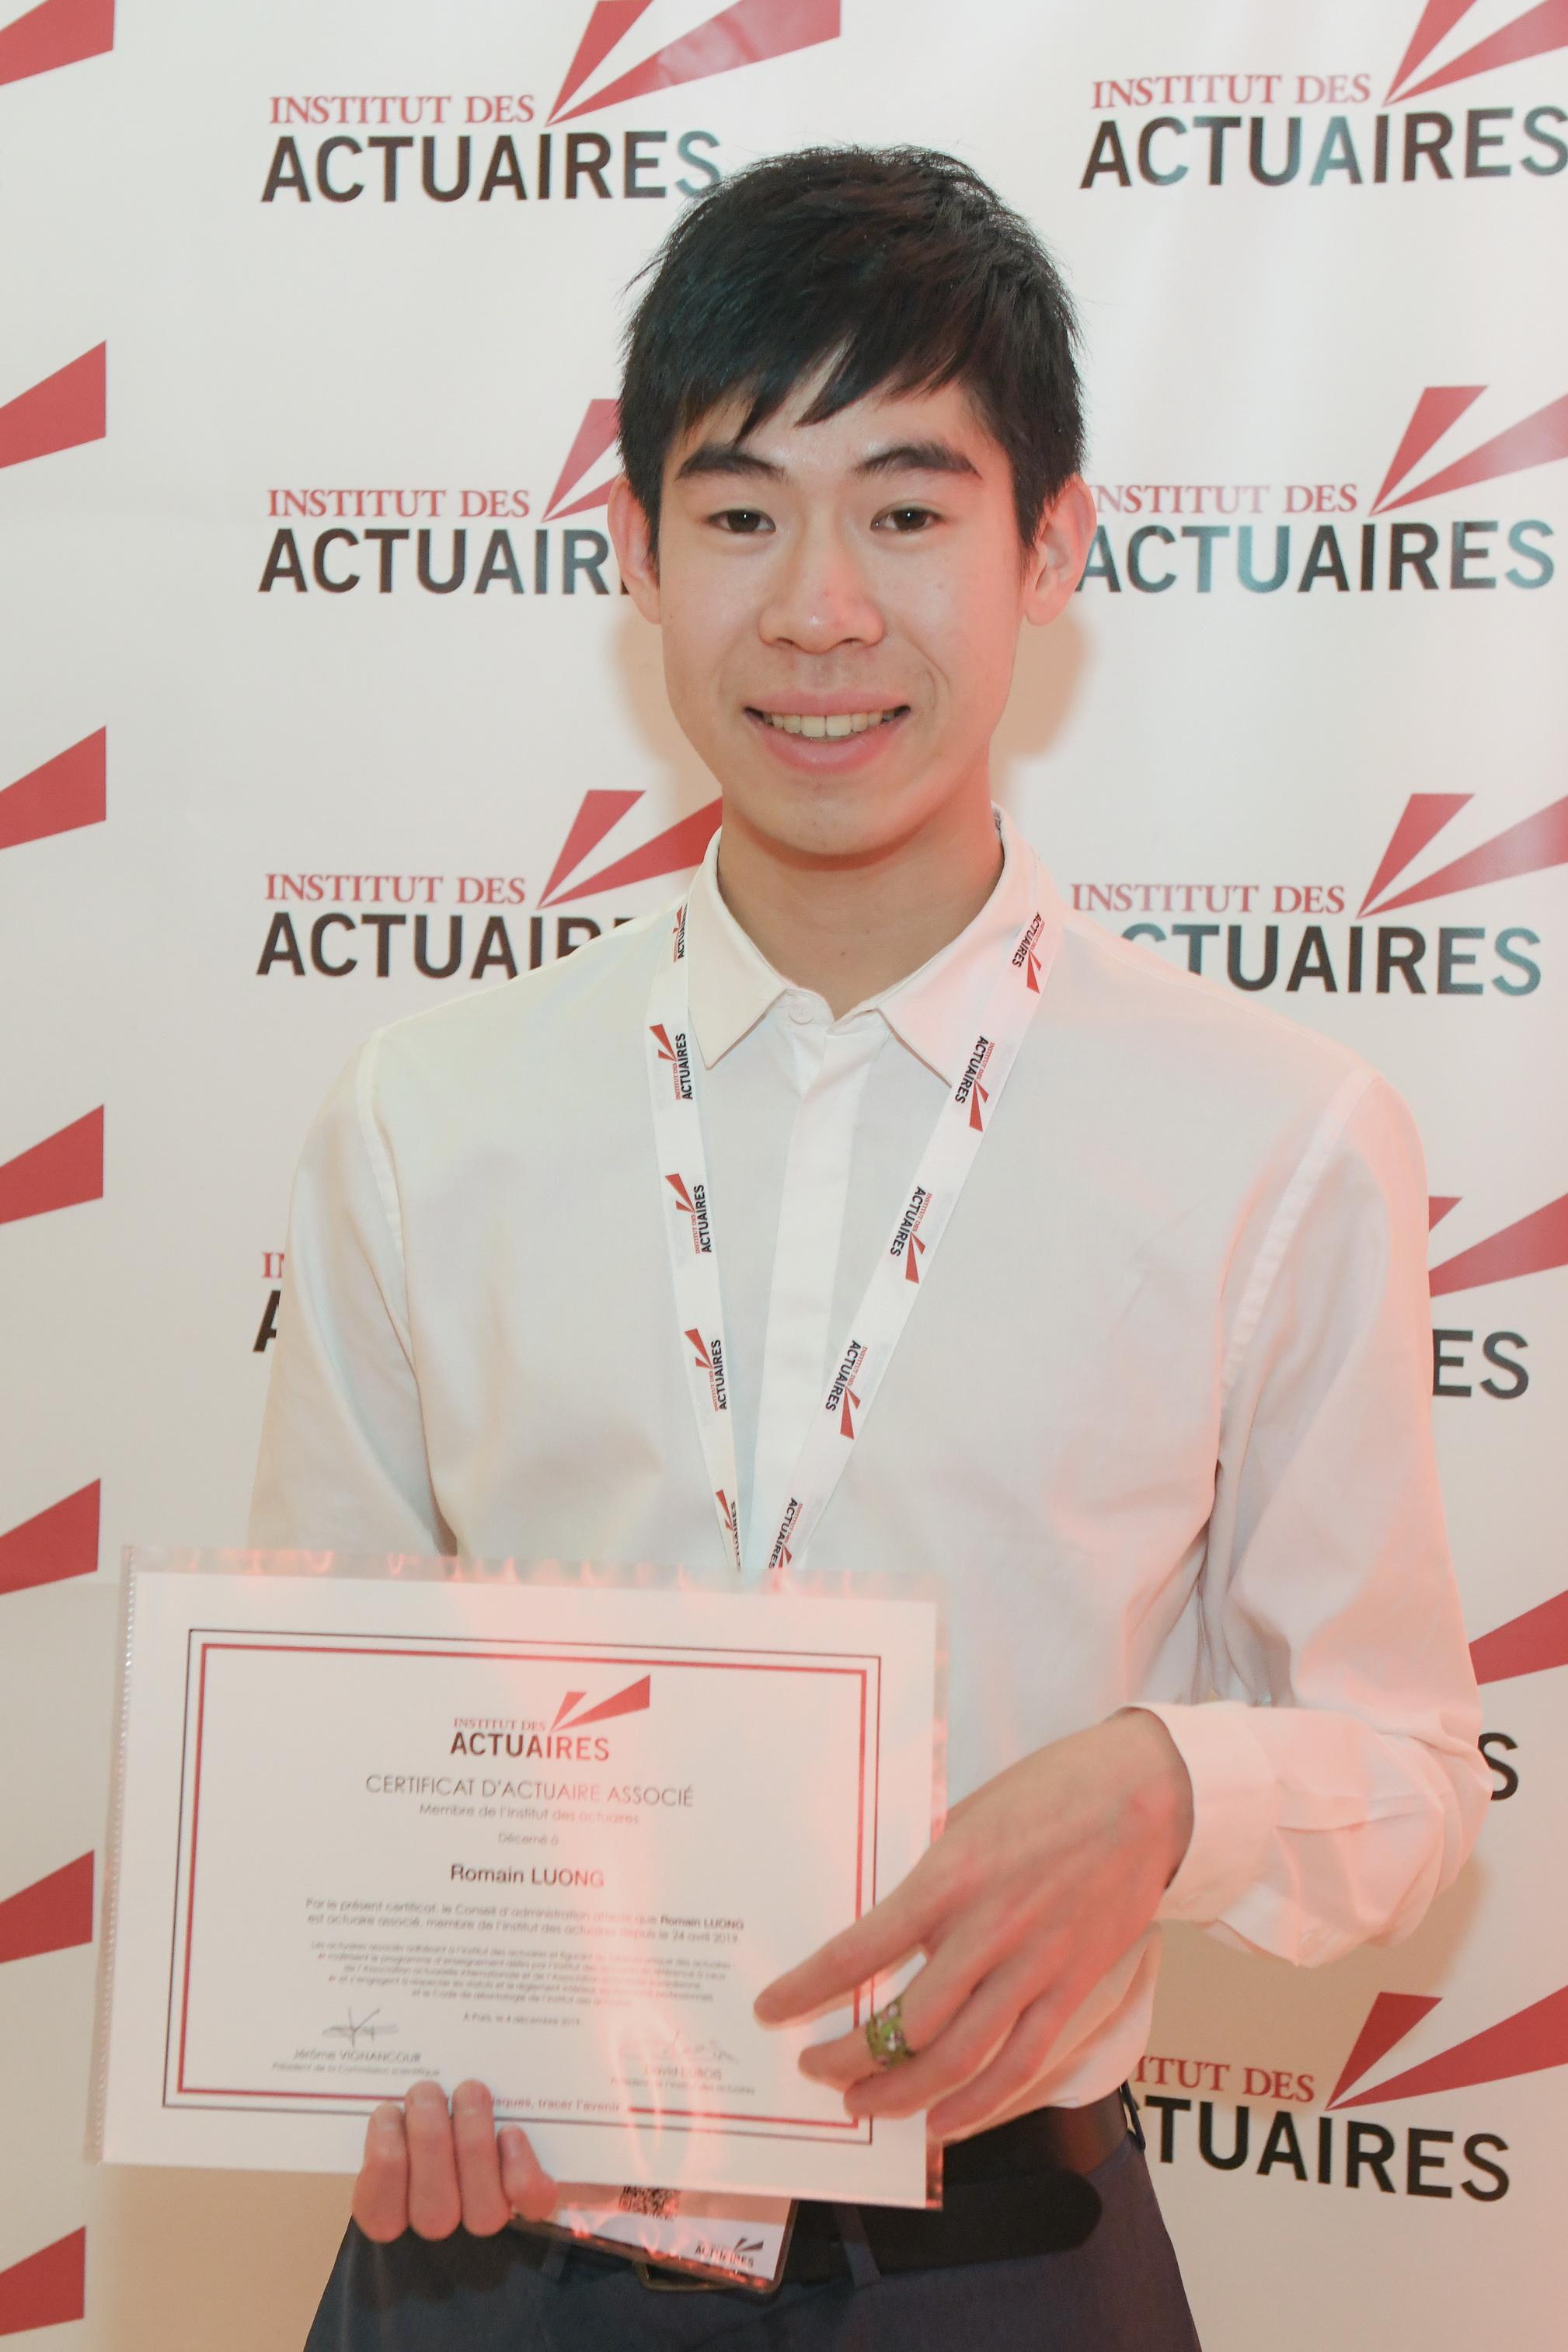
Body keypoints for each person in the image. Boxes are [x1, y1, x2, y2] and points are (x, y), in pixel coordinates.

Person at [251, 145, 1489, 2350]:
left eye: (908, 511)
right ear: (636, 553)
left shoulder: (1273, 1135)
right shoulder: (424, 1114)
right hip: (497, 2253)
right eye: (741, 514)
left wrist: (1167, 1783)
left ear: (1051, 546)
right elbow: (310, 1708)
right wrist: (351, 2014)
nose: (821, 609)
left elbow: (1401, 1776)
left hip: (994, 2259)